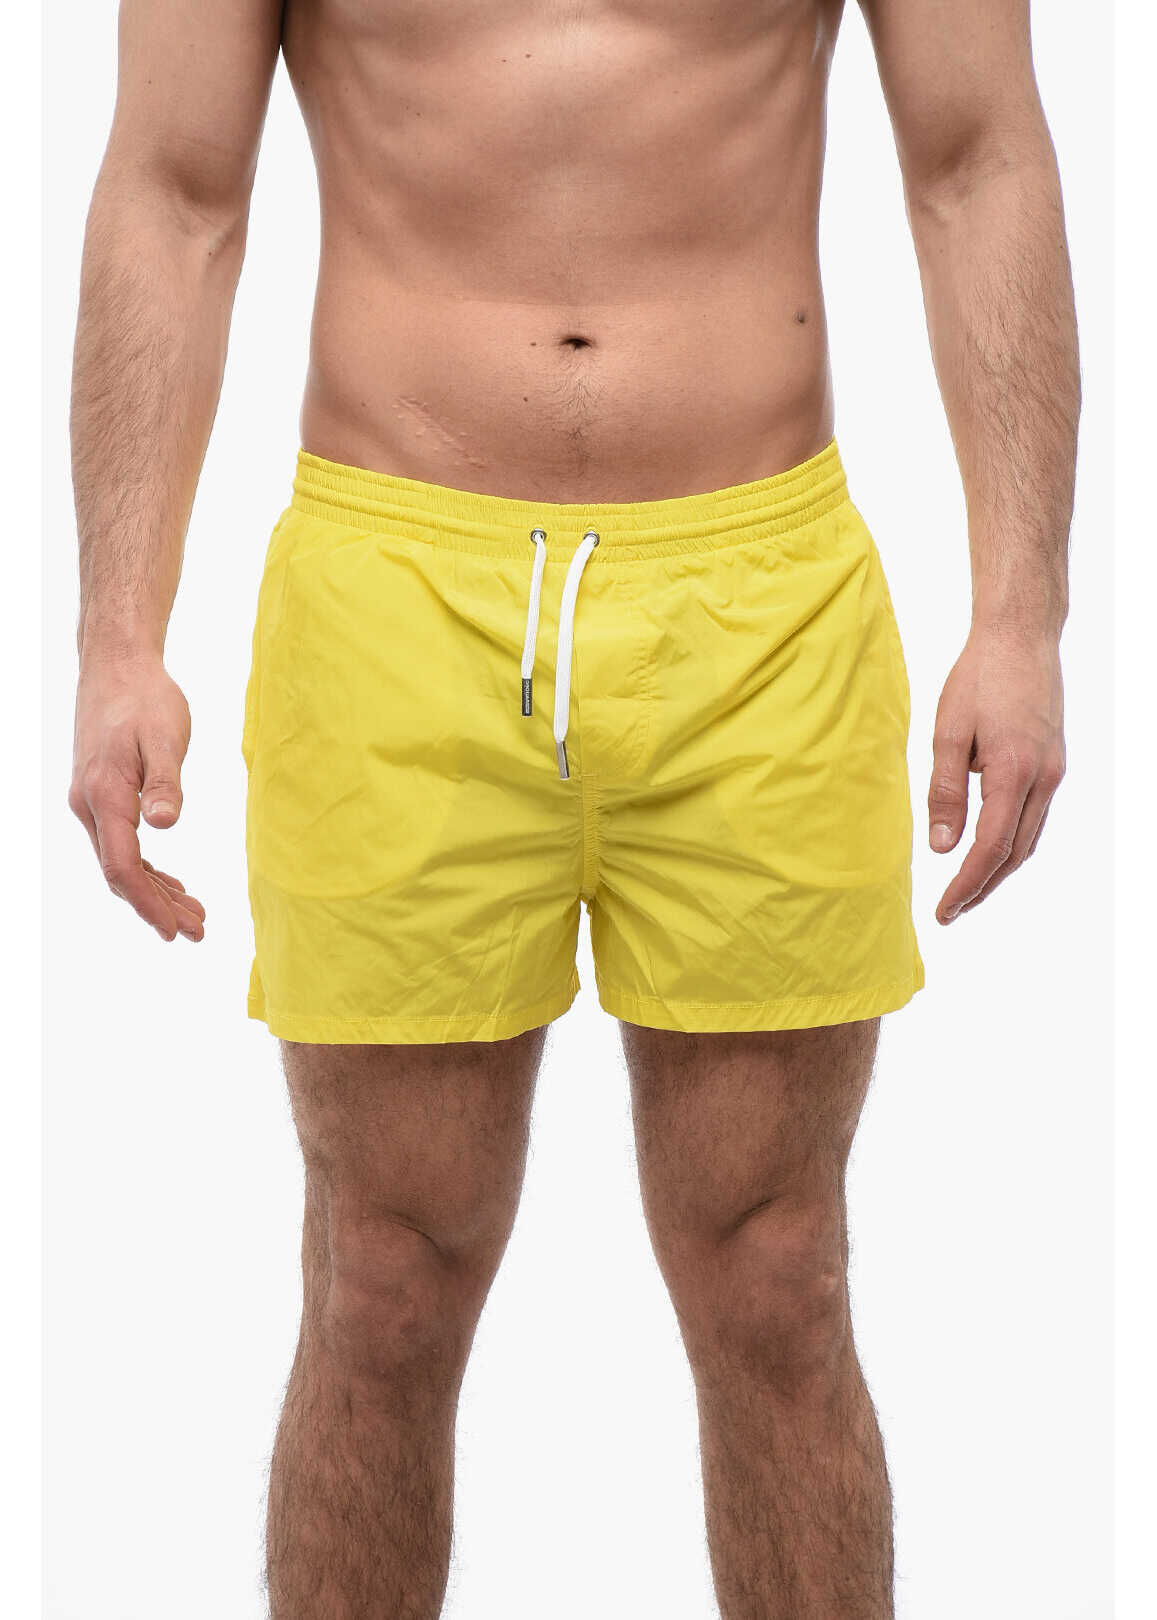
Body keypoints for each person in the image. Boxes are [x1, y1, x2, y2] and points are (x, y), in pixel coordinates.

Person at [67, 1, 1077, 1614]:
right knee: (382, 1278)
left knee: (777, 1274)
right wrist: (118, 635)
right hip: (393, 596)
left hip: (759, 603)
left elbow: (977, 159)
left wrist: (1019, 615)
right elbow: (173, 190)